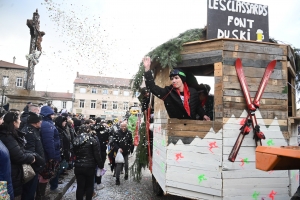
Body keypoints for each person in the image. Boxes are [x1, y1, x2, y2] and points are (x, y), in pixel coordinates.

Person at [0, 111, 36, 200]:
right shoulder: (6, 136)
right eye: (1, 119)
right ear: (14, 122)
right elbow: (18, 156)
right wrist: (31, 157)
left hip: (7, 179)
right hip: (4, 181)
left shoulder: (8, 135)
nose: (2, 121)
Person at [73, 125, 104, 200]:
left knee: (80, 187)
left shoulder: (75, 140)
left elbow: (74, 152)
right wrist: (101, 165)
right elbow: (97, 154)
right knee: (89, 186)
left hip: (78, 166)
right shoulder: (92, 140)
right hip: (89, 167)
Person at [21, 112, 45, 200]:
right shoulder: (29, 132)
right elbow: (31, 151)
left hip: (35, 165)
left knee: (32, 190)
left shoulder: (34, 130)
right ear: (35, 122)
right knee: (29, 191)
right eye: (40, 121)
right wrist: (40, 160)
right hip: (32, 166)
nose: (41, 122)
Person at [39, 106, 61, 194]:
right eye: (52, 114)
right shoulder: (47, 125)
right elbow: (48, 142)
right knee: (45, 175)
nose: (53, 115)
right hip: (49, 154)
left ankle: (42, 194)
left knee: (46, 175)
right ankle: (41, 195)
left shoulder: (48, 124)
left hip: (51, 152)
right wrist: (52, 156)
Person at [94, 118, 109, 190]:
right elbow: (108, 140)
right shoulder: (105, 133)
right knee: (100, 167)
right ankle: (98, 183)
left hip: (95, 152)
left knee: (96, 168)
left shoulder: (94, 133)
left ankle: (95, 182)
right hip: (101, 152)